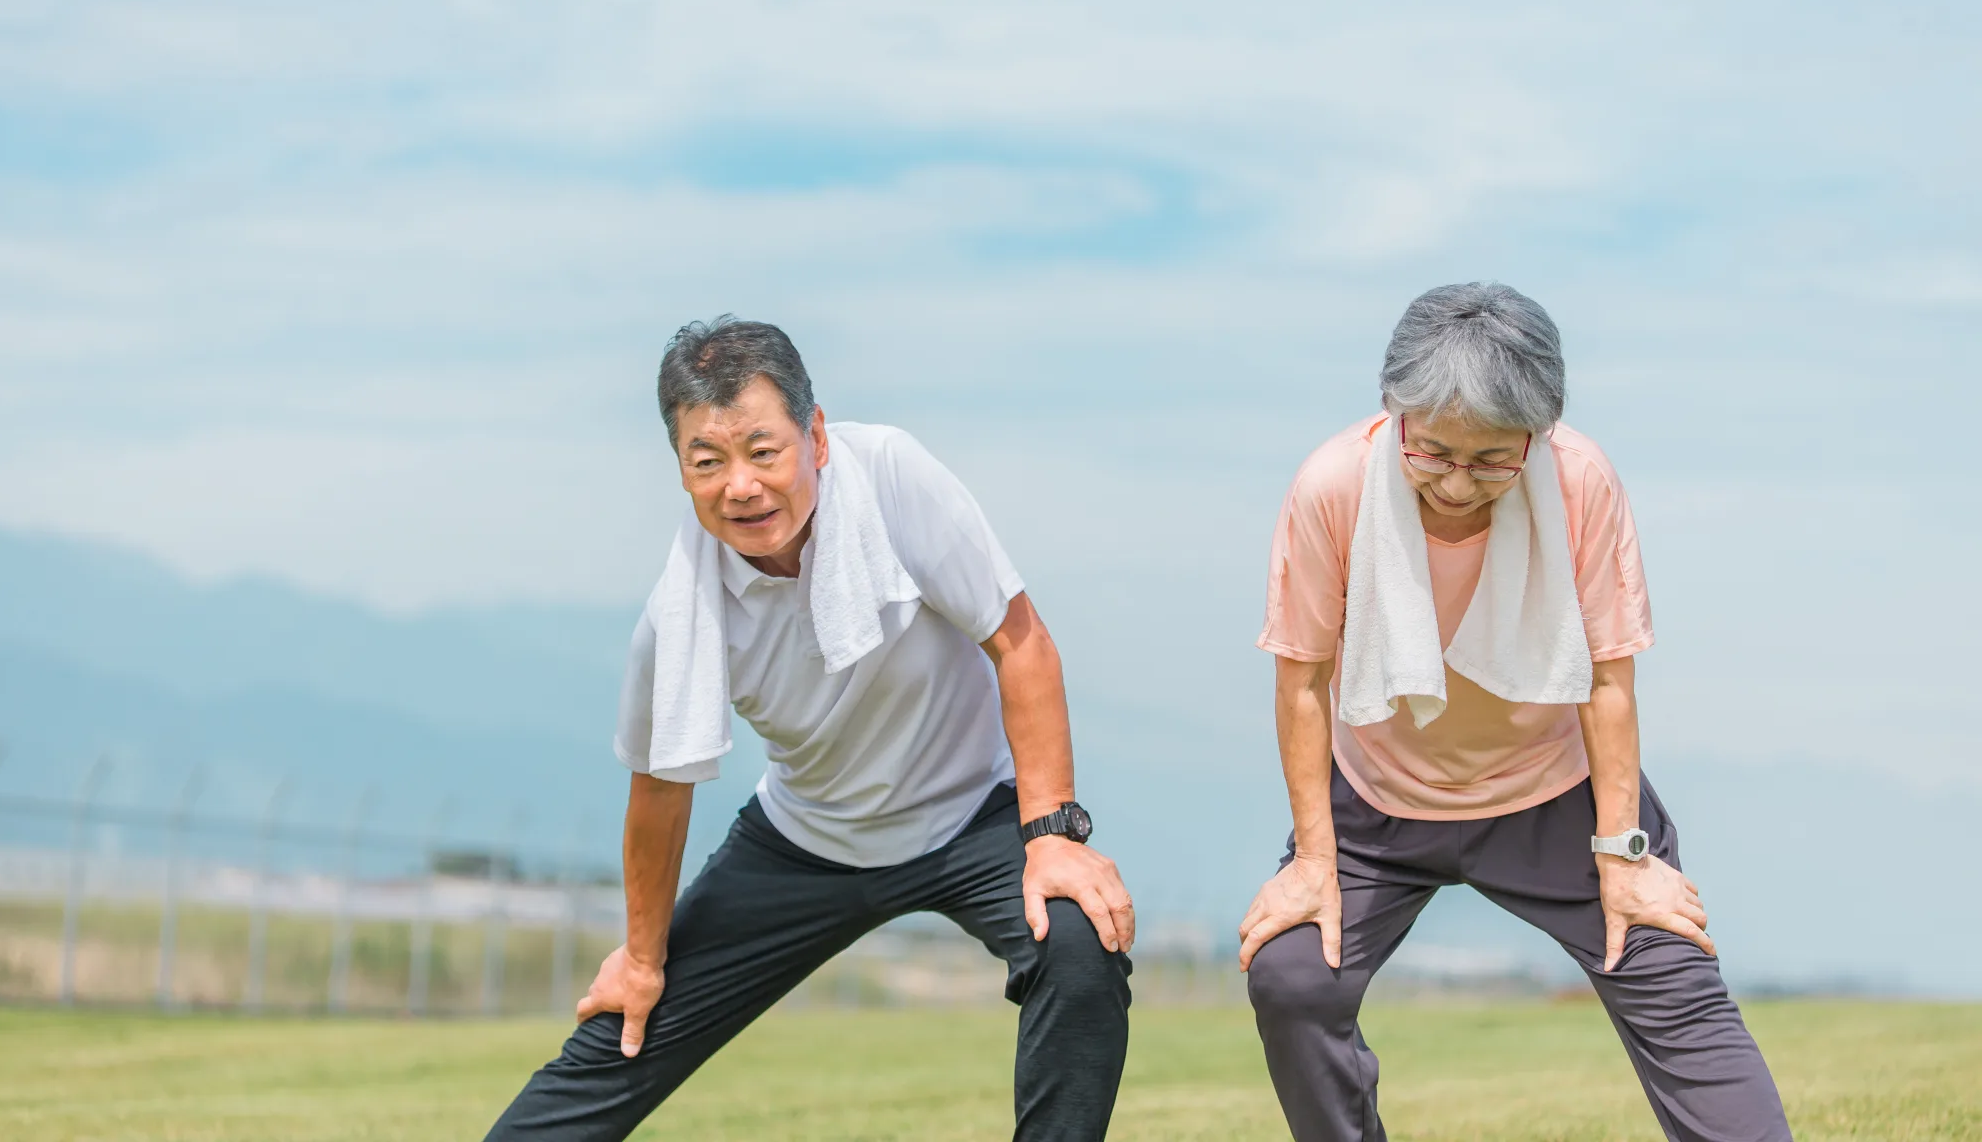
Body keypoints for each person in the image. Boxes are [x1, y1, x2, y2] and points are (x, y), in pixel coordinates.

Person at [485, 316, 1133, 1141]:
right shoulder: (679, 615)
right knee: (624, 1030)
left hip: (974, 810)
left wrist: (1053, 837)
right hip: (807, 838)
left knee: (1079, 944)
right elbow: (659, 792)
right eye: (707, 461)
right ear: (680, 469)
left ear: (815, 435)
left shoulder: (894, 478)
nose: (741, 486)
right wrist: (641, 960)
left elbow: (1019, 641)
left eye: (763, 450)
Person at [1239, 283, 1791, 1142]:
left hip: (1553, 791)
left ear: (1538, 436)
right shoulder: (1332, 486)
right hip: (1376, 801)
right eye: (1434, 453)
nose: (1459, 483)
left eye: (1495, 459)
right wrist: (1314, 860)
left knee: (1668, 965)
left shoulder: (1579, 480)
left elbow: (1610, 679)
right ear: (1395, 414)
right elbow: (1302, 683)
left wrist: (1623, 855)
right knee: (1294, 979)